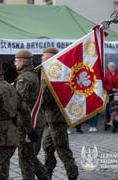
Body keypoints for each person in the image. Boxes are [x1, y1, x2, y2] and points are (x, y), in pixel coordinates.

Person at [41, 47, 78, 180]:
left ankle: (72, 174)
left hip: (57, 118)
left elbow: (47, 97)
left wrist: (38, 92)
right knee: (47, 146)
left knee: (62, 149)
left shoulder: (54, 74)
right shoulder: (53, 72)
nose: (42, 58)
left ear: (51, 57)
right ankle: (48, 172)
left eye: (44, 56)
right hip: (53, 117)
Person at [14, 49, 49, 180]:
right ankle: (44, 176)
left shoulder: (24, 78)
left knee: (25, 159)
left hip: (28, 121)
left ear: (22, 62)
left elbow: (19, 102)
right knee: (30, 156)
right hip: (36, 118)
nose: (15, 63)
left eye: (16, 61)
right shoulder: (32, 75)